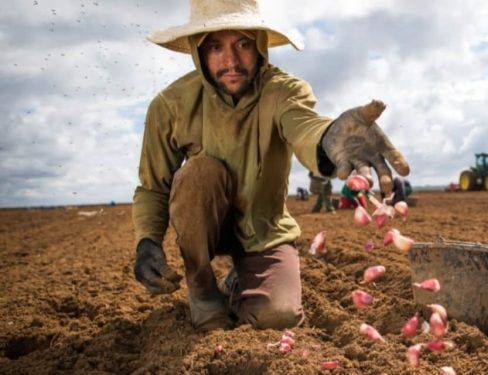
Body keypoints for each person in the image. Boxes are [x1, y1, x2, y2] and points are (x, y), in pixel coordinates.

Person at [132, 0, 409, 333]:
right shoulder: (172, 105)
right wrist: (147, 240)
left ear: (260, 45)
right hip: (206, 224)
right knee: (199, 173)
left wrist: (328, 137)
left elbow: (305, 126)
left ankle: (238, 283)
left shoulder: (283, 91)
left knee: (279, 317)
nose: (231, 61)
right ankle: (204, 291)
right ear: (198, 51)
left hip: (264, 228)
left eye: (243, 44)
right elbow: (153, 186)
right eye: (216, 47)